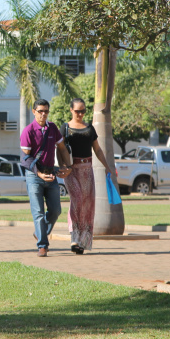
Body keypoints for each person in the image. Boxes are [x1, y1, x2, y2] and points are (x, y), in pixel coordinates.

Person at [20, 98, 72, 257]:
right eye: (40, 111)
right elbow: (25, 158)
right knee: (38, 213)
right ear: (34, 111)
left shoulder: (53, 128)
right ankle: (42, 245)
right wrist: (38, 173)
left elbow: (62, 148)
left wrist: (68, 167)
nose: (43, 114)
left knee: (56, 210)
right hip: (34, 175)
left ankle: (40, 232)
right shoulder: (28, 131)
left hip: (51, 173)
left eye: (46, 111)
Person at [62, 98, 112, 254]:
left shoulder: (90, 128)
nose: (80, 114)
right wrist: (63, 166)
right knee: (76, 199)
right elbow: (59, 148)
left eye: (83, 111)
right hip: (71, 169)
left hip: (87, 169)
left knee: (87, 204)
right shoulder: (65, 128)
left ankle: (83, 241)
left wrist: (106, 166)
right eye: (77, 111)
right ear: (71, 110)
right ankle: (74, 236)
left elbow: (97, 150)